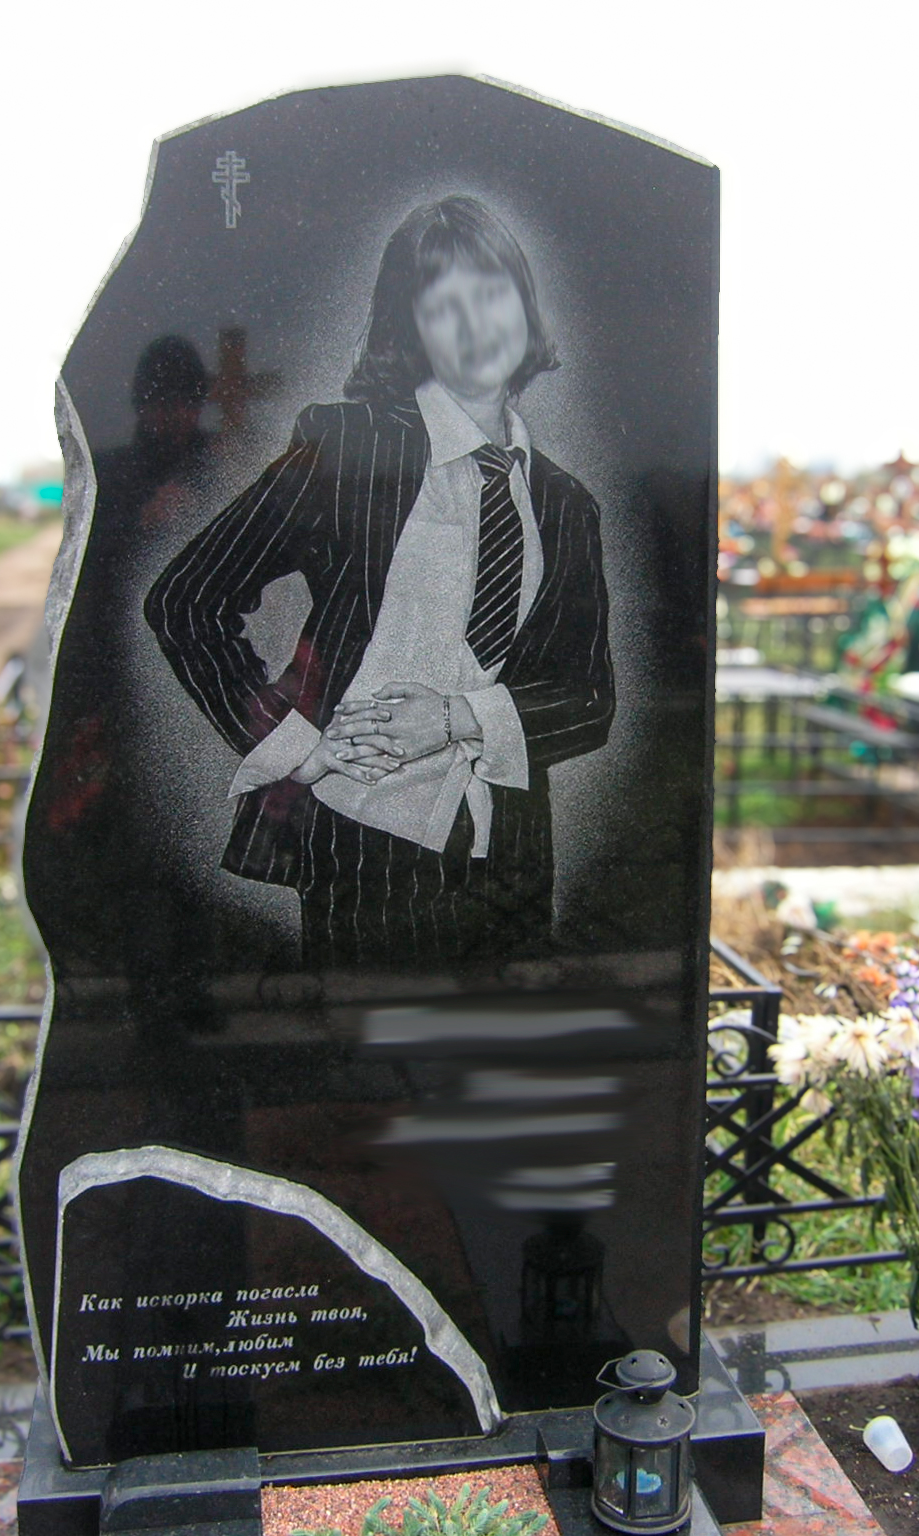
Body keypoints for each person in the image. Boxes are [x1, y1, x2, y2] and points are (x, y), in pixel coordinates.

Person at [145, 194, 614, 970]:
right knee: (376, 1047)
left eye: (490, 293)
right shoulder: (347, 450)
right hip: (364, 850)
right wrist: (297, 748)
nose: (475, 325)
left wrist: (457, 718)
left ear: (525, 304)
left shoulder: (564, 503)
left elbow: (589, 701)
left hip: (508, 863)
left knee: (499, 1048)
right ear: (411, 329)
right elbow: (185, 601)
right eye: (442, 306)